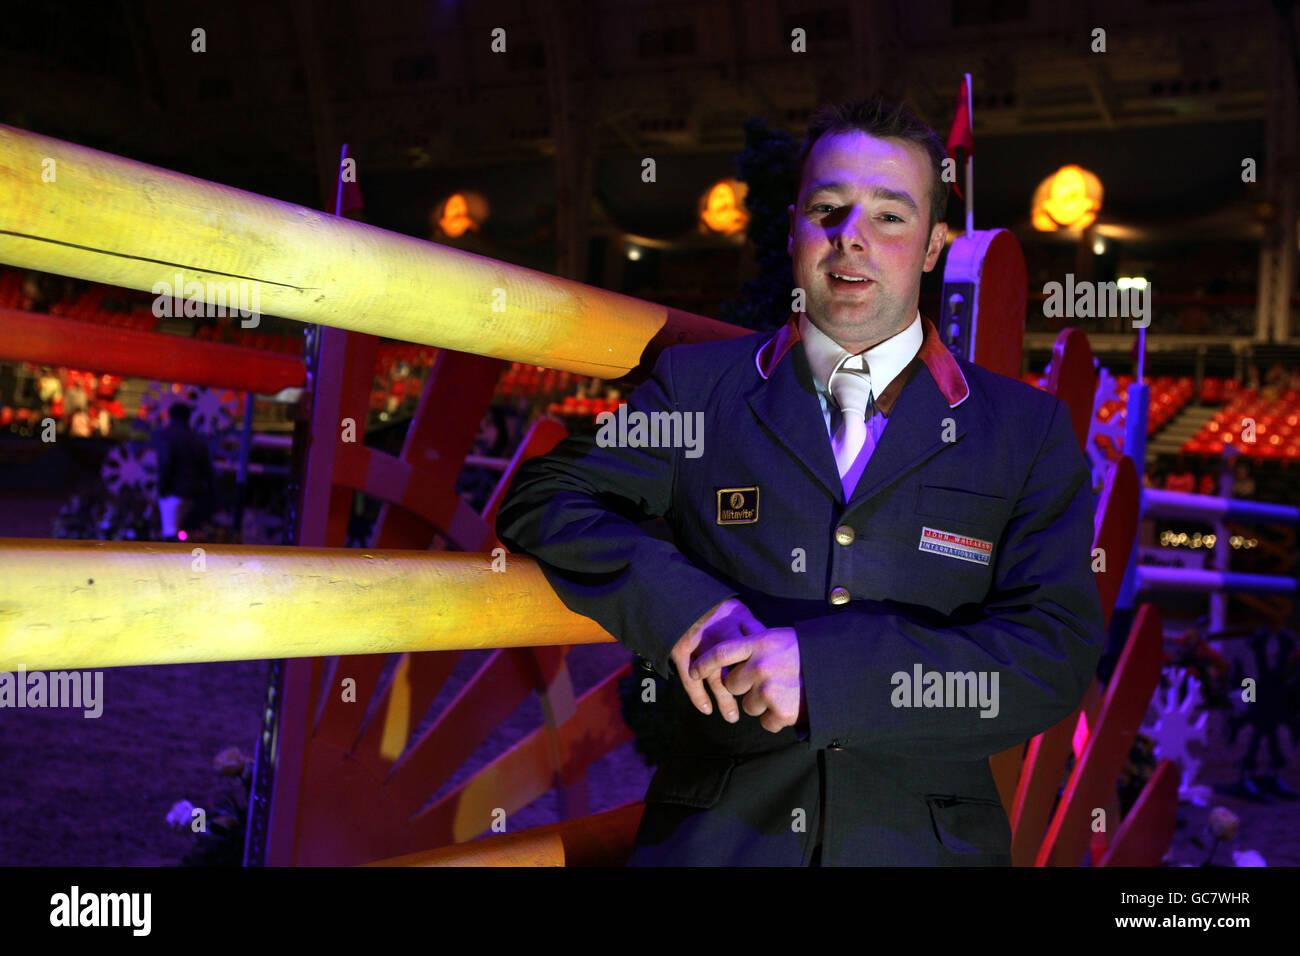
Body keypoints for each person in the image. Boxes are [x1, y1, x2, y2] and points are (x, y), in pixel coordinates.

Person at [496, 96, 1104, 866]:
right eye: (828, 209)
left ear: (932, 246)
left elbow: (1050, 653)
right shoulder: (698, 389)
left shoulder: (1024, 430)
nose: (852, 236)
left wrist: (826, 676)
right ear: (794, 229)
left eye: (890, 215)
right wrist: (692, 610)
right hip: (718, 844)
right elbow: (547, 496)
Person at [153, 401, 215, 540]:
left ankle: (170, 560)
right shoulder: (197, 439)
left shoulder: (167, 435)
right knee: (184, 533)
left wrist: (162, 489)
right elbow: (207, 469)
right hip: (194, 492)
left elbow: (166, 463)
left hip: (173, 491)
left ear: (170, 416)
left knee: (170, 534)